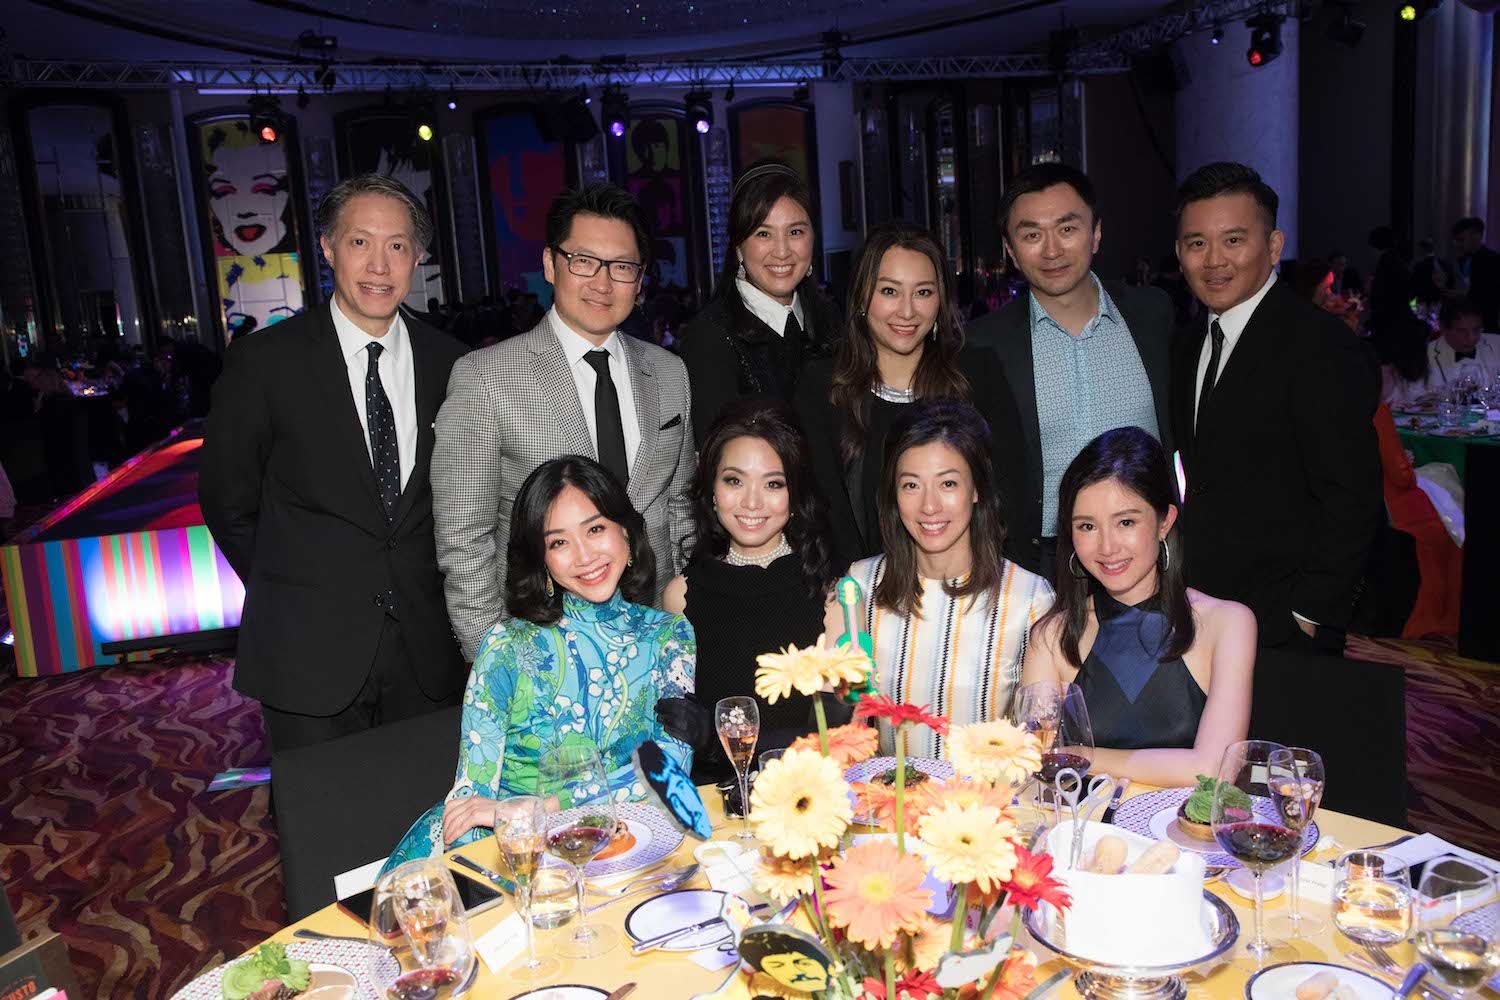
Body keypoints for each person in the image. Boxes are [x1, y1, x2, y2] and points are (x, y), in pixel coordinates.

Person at [199, 174, 469, 750]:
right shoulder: (265, 363)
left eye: (397, 246)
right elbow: (228, 502)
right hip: (307, 652)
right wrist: (295, 592)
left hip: (428, 652)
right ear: (327, 247)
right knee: (324, 831)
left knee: (432, 830)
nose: (379, 265)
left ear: (416, 257)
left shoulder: (454, 365)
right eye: (359, 242)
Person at [384, 456, 696, 868]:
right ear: (542, 560)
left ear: (626, 531)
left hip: (622, 846)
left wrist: (542, 806)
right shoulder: (507, 646)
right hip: (511, 852)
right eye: (559, 542)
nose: (585, 556)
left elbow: (673, 770)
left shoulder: (668, 636)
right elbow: (470, 801)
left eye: (596, 529)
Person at [432, 184, 695, 661]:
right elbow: (463, 541)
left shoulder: (670, 372)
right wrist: (499, 663)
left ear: (640, 281)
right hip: (543, 649)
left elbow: (680, 508)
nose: (603, 283)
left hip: (656, 637)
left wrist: (689, 621)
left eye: (622, 267)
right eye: (584, 261)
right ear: (551, 265)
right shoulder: (485, 378)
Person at [1170, 162, 1381, 651]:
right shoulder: (1184, 345)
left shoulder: (1320, 344)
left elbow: (1353, 494)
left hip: (1285, 618)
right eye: (1196, 243)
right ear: (1179, 254)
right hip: (1201, 605)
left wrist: (1308, 613)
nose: (1213, 260)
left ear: (1275, 246)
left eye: (1234, 240)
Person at [968, 163, 1175, 579]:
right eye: (1031, 235)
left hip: (1152, 555)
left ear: (1096, 233)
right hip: (1042, 564)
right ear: (1010, 250)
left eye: (1067, 229)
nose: (1051, 250)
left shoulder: (1153, 314)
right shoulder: (982, 345)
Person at [1021, 427, 1254, 787]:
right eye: (1087, 526)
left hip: (1186, 837)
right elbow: (1034, 763)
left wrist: (1083, 756)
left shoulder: (1227, 623)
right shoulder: (1052, 635)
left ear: (1165, 522)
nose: (1107, 546)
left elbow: (1214, 770)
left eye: (1126, 522)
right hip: (1087, 835)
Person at [828, 401, 1053, 758]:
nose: (929, 506)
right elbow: (842, 731)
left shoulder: (1030, 598)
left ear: (976, 489)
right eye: (911, 485)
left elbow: (1043, 743)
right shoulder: (860, 586)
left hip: (989, 807)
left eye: (948, 483)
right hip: (894, 805)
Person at [797, 223, 1027, 570]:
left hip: (972, 593)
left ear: (941, 301)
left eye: (923, 293)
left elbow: (1010, 495)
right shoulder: (824, 387)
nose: (907, 311)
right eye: (889, 291)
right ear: (862, 297)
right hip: (859, 596)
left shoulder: (977, 376)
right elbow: (821, 512)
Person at [662, 398, 836, 778]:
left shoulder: (831, 594)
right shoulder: (681, 595)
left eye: (773, 483)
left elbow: (835, 738)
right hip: (713, 802)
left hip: (803, 800)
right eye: (734, 480)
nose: (752, 502)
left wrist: (717, 734)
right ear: (711, 488)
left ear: (796, 493)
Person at [678, 161, 841, 443]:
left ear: (813, 238)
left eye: (795, 232)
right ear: (738, 247)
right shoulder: (710, 337)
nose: (782, 251)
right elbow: (717, 456)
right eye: (763, 234)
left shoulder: (832, 320)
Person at [1426, 296, 1499, 389]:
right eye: (1461, 331)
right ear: (1443, 328)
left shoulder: (1497, 345)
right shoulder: (1425, 357)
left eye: (1476, 330)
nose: (1471, 338)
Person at [1453, 216, 1499, 330]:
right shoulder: (1459, 261)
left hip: (1486, 325)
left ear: (1476, 236)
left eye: (1462, 239)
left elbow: (1492, 295)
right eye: (1457, 240)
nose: (1458, 244)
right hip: (1460, 323)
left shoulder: (1494, 261)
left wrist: (1465, 295)